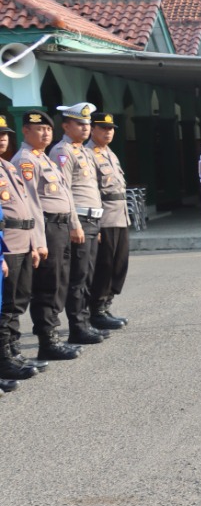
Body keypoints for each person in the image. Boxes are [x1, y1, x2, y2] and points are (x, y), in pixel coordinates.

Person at [13, 111, 80, 363]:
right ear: (25, 131)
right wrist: (38, 241)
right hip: (47, 228)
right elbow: (31, 204)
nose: (45, 133)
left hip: (60, 227)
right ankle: (47, 341)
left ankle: (53, 335)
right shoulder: (25, 161)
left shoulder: (46, 159)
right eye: (39, 129)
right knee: (47, 285)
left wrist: (73, 224)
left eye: (48, 130)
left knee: (60, 282)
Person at [49, 102, 108, 345]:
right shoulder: (62, 152)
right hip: (79, 220)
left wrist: (99, 223)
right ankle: (77, 326)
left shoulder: (83, 151)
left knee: (88, 275)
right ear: (66, 126)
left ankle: (85, 322)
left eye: (87, 124)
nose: (85, 128)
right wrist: (75, 224)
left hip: (92, 219)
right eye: (79, 124)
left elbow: (91, 189)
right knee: (78, 276)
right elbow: (64, 192)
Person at [0, 112, 39, 389]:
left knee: (17, 301)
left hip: (22, 240)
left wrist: (34, 243)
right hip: (7, 244)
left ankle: (13, 351)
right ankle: (4, 358)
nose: (2, 140)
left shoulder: (8, 167)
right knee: (5, 306)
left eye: (4, 135)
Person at [86, 110, 130, 331]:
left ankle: (107, 304)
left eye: (111, 128)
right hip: (104, 218)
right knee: (104, 265)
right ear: (92, 128)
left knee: (119, 264)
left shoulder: (110, 153)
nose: (108, 131)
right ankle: (97, 309)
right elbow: (91, 191)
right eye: (103, 127)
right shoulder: (88, 154)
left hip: (120, 216)